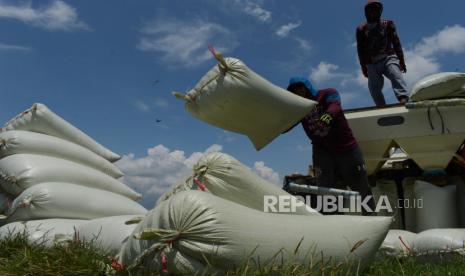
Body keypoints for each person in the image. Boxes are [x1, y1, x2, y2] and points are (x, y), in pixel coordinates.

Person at [284, 77, 375, 215]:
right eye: (294, 90)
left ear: (307, 86)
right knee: (326, 190)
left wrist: (326, 118)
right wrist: (273, 128)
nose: (299, 92)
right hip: (322, 152)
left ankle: (371, 218)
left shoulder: (327, 93)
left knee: (361, 187)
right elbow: (286, 125)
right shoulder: (299, 108)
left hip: (346, 148)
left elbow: (335, 106)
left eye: (300, 87)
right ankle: (334, 224)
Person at [356, 0, 409, 107]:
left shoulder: (388, 24)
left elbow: (396, 43)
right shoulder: (361, 29)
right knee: (373, 87)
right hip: (371, 63)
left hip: (388, 57)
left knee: (396, 75)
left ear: (380, 11)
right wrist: (364, 68)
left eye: (376, 10)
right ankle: (381, 106)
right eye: (371, 10)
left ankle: (403, 98)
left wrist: (401, 61)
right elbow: (360, 50)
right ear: (366, 12)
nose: (374, 12)